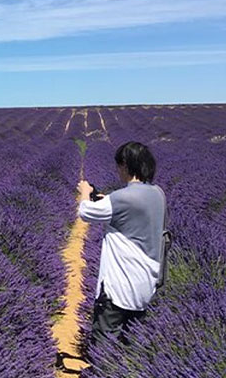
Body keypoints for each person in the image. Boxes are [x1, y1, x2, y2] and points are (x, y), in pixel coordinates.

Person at [77, 141, 166, 347]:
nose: (118, 171)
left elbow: (85, 212)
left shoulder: (121, 198)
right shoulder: (158, 194)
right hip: (145, 284)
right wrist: (105, 199)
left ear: (125, 165)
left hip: (118, 287)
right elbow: (128, 208)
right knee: (131, 345)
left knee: (104, 345)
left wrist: (84, 191)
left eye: (118, 166)